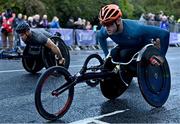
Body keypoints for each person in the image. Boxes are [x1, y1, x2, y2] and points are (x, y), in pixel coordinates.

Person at [98, 4, 170, 66]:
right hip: (125, 45)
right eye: (104, 24)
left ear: (118, 21)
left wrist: (161, 56)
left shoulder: (136, 29)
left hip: (142, 45)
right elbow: (100, 37)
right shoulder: (105, 30)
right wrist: (106, 54)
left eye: (109, 24)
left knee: (124, 54)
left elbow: (165, 34)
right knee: (113, 54)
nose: (106, 28)